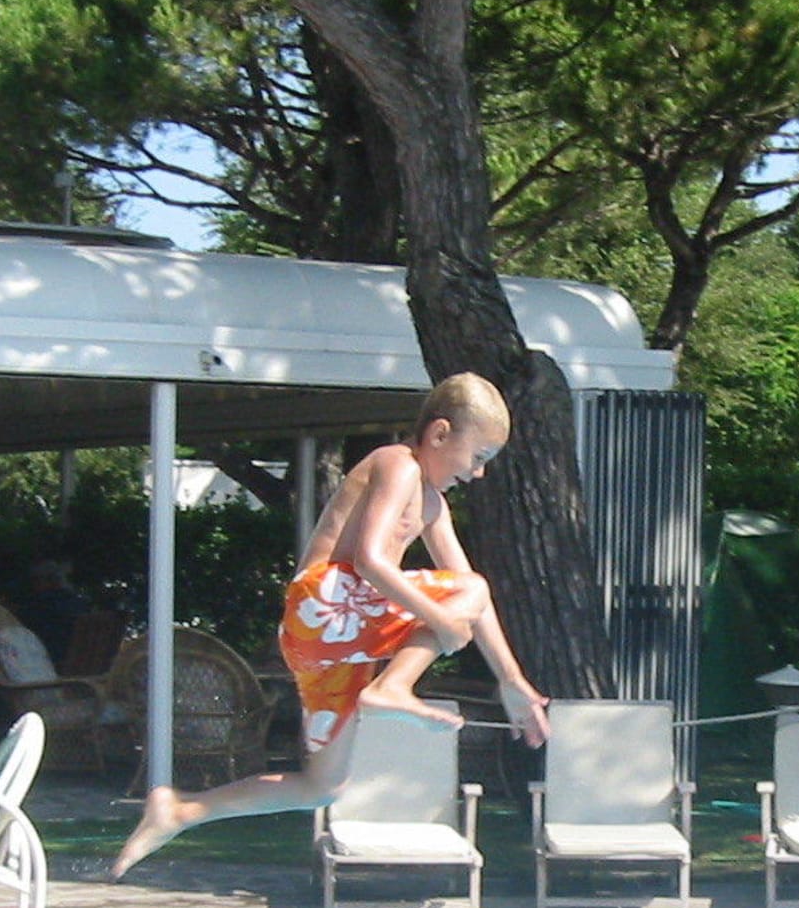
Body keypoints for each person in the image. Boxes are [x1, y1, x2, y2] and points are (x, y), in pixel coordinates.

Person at [110, 373, 552, 878]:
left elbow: (472, 597)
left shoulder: (432, 504)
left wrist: (512, 681)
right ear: (439, 434)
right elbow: (370, 560)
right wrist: (440, 620)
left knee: (321, 787)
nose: (478, 473)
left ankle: (180, 811)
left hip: (323, 643)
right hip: (323, 603)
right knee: (465, 593)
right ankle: (393, 687)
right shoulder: (398, 464)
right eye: (477, 457)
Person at [15, 558, 88, 664]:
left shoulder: (42, 604)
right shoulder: (78, 603)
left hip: (48, 660)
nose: (33, 584)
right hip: (76, 659)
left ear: (51, 580)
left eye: (36, 580)